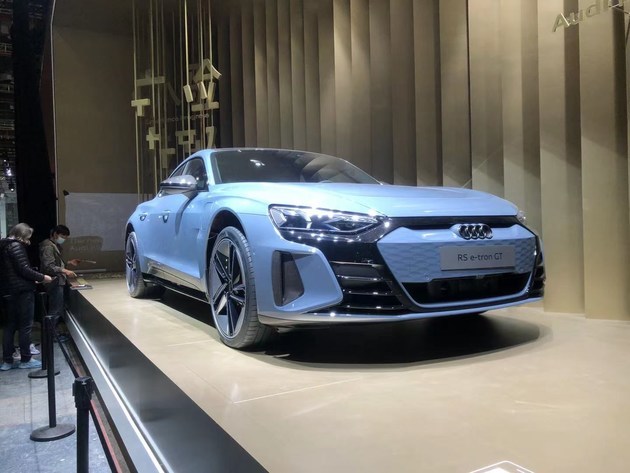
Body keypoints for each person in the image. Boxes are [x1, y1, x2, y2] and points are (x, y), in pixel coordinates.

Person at [0, 223, 52, 370]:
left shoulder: (3, 245)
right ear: (22, 235)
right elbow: (23, 269)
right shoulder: (16, 246)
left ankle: (7, 361)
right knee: (25, 326)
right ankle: (26, 359)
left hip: (7, 291)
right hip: (22, 292)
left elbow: (13, 271)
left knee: (9, 326)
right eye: (28, 237)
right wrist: (42, 277)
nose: (28, 240)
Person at [39, 224, 80, 319]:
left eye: (65, 237)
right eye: (62, 236)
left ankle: (54, 326)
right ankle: (52, 328)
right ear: (55, 234)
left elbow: (56, 263)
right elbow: (49, 266)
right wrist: (65, 271)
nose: (63, 239)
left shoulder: (55, 245)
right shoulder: (48, 246)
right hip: (53, 280)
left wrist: (69, 262)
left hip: (57, 280)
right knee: (55, 309)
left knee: (58, 307)